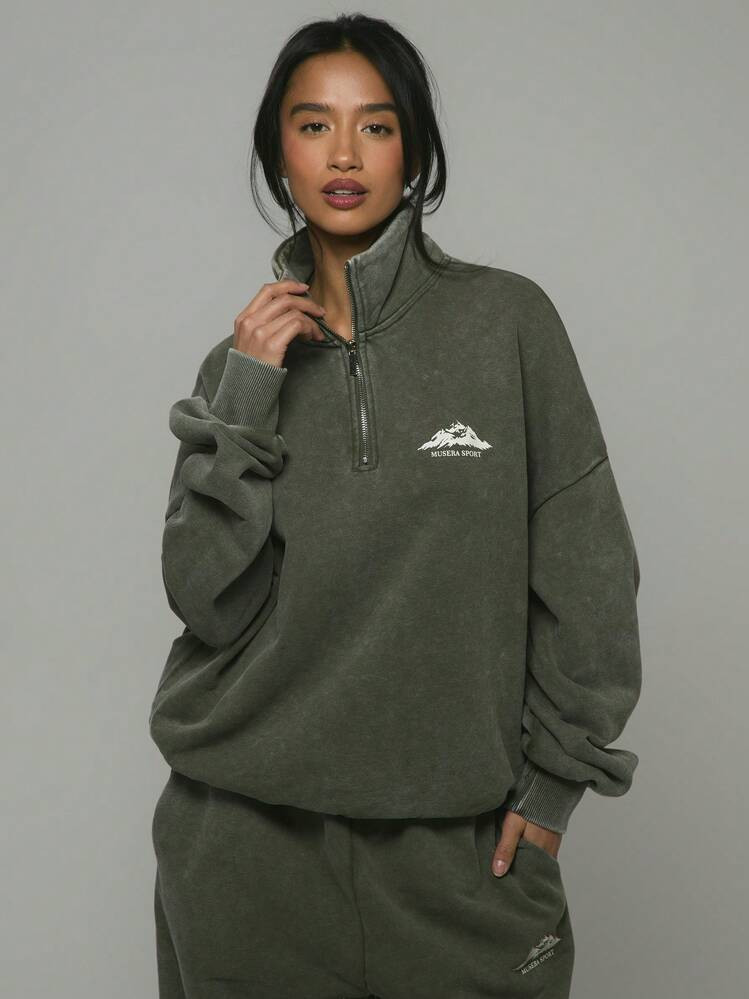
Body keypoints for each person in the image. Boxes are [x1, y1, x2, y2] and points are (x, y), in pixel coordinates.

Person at [148, 13, 642, 999]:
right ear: (277, 153)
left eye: (374, 126)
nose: (343, 154)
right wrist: (246, 392)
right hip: (245, 849)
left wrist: (552, 789)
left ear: (412, 152)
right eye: (312, 125)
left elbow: (589, 573)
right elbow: (206, 601)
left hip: (458, 861)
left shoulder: (506, 324)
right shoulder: (235, 370)